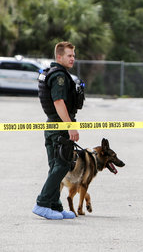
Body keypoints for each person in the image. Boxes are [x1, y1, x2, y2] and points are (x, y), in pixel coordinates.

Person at [33, 41, 84, 220]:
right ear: (59, 56)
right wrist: (70, 126)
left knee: (56, 167)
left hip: (54, 125)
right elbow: (58, 102)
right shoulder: (59, 76)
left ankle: (55, 205)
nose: (73, 59)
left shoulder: (55, 73)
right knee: (61, 166)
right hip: (59, 125)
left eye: (74, 56)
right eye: (69, 55)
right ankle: (42, 203)